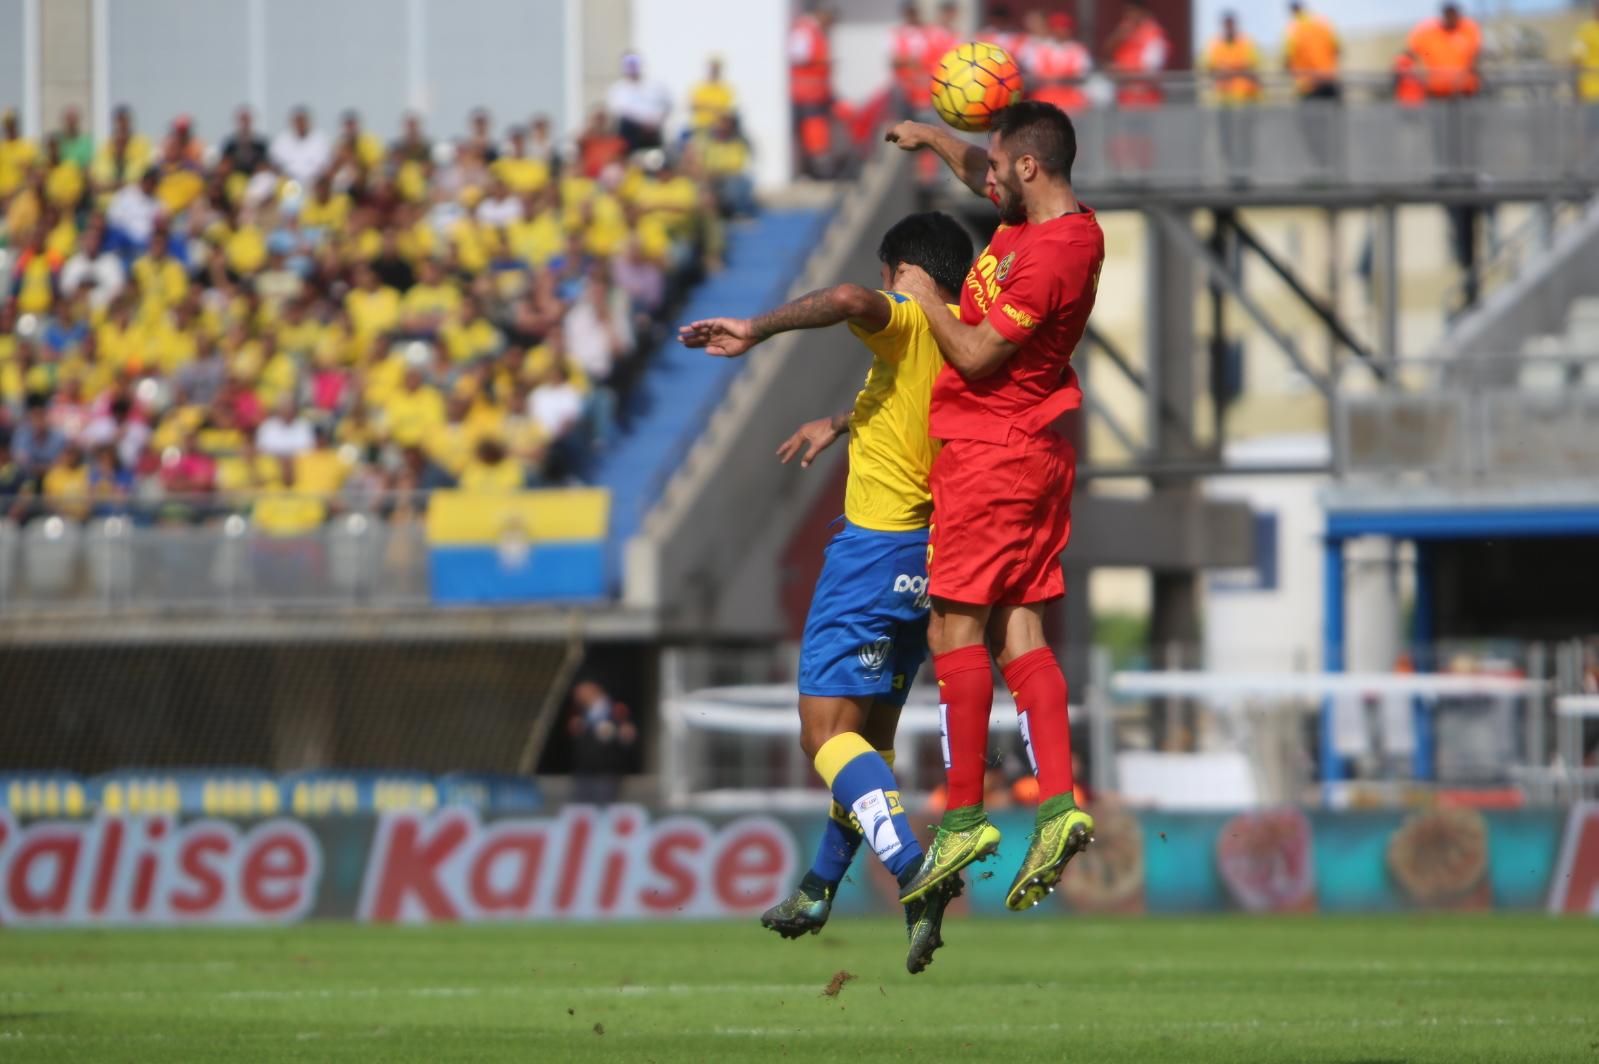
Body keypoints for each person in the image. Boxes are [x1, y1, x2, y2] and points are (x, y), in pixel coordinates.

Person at [679, 211, 975, 974]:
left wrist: (755, 327)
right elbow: (912, 406)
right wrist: (842, 421)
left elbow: (847, 298)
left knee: (822, 737)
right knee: (862, 747)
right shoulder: (967, 335)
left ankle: (914, 871)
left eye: (887, 272)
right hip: (928, 556)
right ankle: (817, 886)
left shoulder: (905, 314)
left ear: (902, 267)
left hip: (872, 554)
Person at [884, 101, 1099, 912]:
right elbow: (983, 171)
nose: (989, 175)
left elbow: (973, 355)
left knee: (953, 626)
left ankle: (965, 815)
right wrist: (934, 137)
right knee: (1019, 629)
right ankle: (1057, 807)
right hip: (1025, 452)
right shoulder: (1043, 220)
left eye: (1001, 166)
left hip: (993, 452)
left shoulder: (1052, 257)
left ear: (1032, 171)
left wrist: (923, 294)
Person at [1204, 11, 1263, 181]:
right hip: (1225, 102)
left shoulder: (1246, 43)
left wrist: (1232, 70)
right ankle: (1231, 174)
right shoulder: (1215, 45)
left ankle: (1243, 175)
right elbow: (1209, 68)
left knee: (1244, 142)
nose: (1229, 28)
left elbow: (1253, 67)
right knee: (1226, 142)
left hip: (1244, 102)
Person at [790, 3, 838, 179]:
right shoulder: (805, 31)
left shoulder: (815, 31)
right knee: (813, 133)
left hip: (817, 94)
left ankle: (819, 167)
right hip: (806, 94)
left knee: (817, 133)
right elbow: (799, 58)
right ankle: (817, 170)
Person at [1022, 12, 1093, 114]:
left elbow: (1082, 75)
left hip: (1072, 105)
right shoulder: (1039, 48)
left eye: (1064, 28)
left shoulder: (1078, 50)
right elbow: (1031, 72)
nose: (1061, 31)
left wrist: (1058, 79)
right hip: (1043, 103)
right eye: (1058, 27)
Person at [606, 53, 672, 153]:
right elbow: (620, 113)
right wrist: (642, 124)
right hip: (631, 133)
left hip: (653, 131)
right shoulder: (618, 89)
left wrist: (654, 122)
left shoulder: (655, 85)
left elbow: (667, 105)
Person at [270, 106, 332, 186]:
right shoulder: (282, 140)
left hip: (315, 182)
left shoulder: (321, 139)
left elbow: (326, 165)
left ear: (308, 121)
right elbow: (274, 164)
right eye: (297, 121)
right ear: (292, 122)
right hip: (288, 182)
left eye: (302, 120)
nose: (300, 124)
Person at [689, 56, 738, 133]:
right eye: (712, 69)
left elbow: (726, 111)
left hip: (719, 129)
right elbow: (692, 106)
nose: (714, 71)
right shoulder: (698, 88)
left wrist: (704, 106)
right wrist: (713, 107)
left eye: (716, 69)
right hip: (699, 126)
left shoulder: (726, 90)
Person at [221, 107, 270, 173]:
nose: (244, 124)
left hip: (256, 176)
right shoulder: (230, 145)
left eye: (247, 120)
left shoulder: (260, 144)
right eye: (242, 120)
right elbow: (225, 164)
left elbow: (264, 165)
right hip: (236, 176)